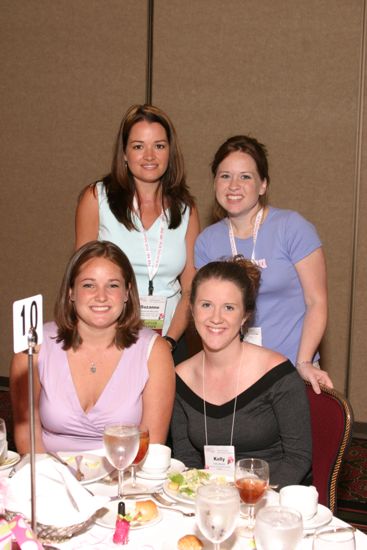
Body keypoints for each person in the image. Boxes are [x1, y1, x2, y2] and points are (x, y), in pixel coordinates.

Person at [195, 135, 332, 393]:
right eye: (225, 176)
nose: (234, 185)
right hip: (235, 377)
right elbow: (208, 315)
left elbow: (317, 302)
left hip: (291, 371)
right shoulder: (207, 242)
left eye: (245, 176)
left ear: (263, 185)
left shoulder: (292, 228)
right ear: (215, 183)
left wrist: (304, 361)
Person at [10, 241, 175, 453]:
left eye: (113, 285)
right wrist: (50, 481)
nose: (101, 296)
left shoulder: (154, 351)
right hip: (50, 477)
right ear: (71, 292)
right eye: (89, 285)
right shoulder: (34, 345)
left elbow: (151, 447)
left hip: (123, 478)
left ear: (127, 293)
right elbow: (27, 433)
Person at [171, 258, 312, 488]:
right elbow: (187, 459)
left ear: (245, 315)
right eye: (206, 305)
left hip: (272, 498)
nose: (216, 318)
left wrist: (248, 499)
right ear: (192, 309)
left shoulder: (277, 374)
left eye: (229, 307)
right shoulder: (181, 378)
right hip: (211, 499)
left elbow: (298, 459)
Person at [75, 104, 200, 362]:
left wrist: (169, 341)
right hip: (110, 336)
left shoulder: (186, 208)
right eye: (138, 146)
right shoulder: (96, 199)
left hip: (169, 340)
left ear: (170, 152)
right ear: (124, 153)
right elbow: (81, 280)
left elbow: (190, 288)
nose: (150, 156)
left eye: (159, 145)